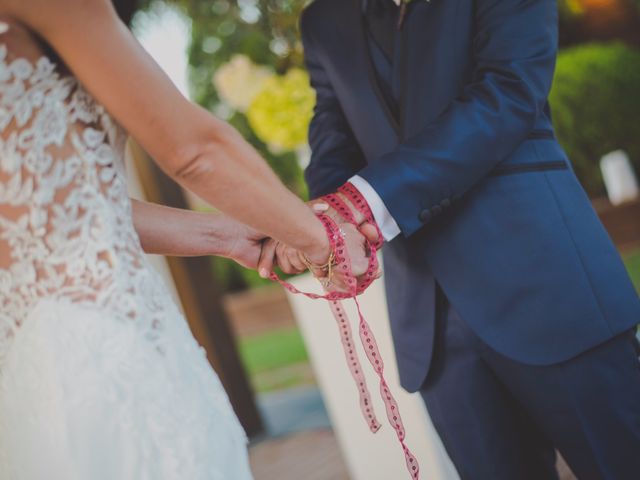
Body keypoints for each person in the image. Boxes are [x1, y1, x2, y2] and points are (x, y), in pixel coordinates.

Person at [0, 0, 375, 478]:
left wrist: (225, 233)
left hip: (29, 361)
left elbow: (59, 209)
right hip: (108, 349)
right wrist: (324, 241)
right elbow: (194, 151)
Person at [292, 0, 640, 478]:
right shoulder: (322, 20)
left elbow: (508, 94)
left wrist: (361, 204)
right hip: (429, 325)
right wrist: (326, 227)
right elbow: (333, 136)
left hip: (547, 288)